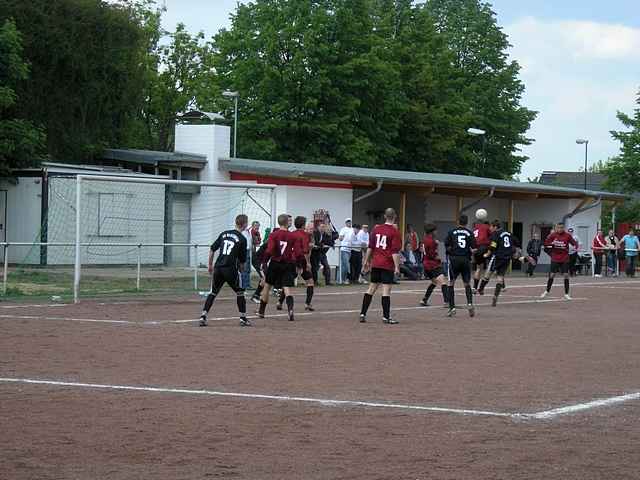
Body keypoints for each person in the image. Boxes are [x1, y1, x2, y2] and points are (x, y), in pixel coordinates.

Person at [199, 214, 250, 327]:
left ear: (236, 222)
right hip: (230, 269)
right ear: (245, 224)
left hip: (218, 268)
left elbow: (212, 248)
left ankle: (203, 315)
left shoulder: (224, 234)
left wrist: (210, 265)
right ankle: (243, 318)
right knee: (240, 292)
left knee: (213, 292)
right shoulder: (242, 239)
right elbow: (242, 261)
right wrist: (241, 271)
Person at [359, 208, 402, 324]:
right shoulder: (395, 232)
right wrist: (397, 267)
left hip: (376, 263)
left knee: (371, 288)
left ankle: (363, 313)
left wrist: (366, 262)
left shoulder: (376, 229)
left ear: (384, 216)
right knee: (386, 290)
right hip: (387, 264)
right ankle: (386, 317)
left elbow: (370, 247)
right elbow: (394, 252)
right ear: (395, 216)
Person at [258, 214, 301, 321]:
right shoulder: (292, 236)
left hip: (275, 262)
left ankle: (261, 311)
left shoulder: (274, 235)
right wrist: (299, 264)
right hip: (287, 263)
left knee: (267, 286)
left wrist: (264, 261)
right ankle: (290, 310)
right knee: (286, 287)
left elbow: (270, 249)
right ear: (287, 223)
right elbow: (297, 252)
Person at [445, 214, 476, 317]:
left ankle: (452, 308)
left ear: (458, 221)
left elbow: (447, 246)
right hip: (465, 259)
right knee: (467, 283)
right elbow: (474, 248)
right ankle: (470, 303)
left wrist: (452, 250)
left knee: (451, 283)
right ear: (466, 222)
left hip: (454, 259)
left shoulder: (451, 232)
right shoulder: (469, 233)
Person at [477, 220, 514, 307]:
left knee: (488, 273)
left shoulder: (495, 234)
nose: (490, 228)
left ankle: (481, 289)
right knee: (500, 277)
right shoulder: (509, 233)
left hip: (497, 257)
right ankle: (495, 296)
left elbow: (493, 245)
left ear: (495, 227)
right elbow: (512, 245)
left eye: (491, 227)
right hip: (507, 258)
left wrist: (487, 253)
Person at [540, 222, 577, 300]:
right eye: (558, 228)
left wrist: (575, 247)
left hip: (565, 258)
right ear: (556, 228)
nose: (560, 229)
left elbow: (574, 243)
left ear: (563, 228)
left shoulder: (567, 235)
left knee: (566, 275)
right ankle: (547, 291)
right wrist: (551, 243)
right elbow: (546, 243)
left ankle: (566, 294)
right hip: (555, 258)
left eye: (561, 228)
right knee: (552, 275)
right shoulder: (553, 235)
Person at [420, 223, 449, 307]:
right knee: (443, 282)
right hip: (432, 264)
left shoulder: (425, 240)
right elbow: (432, 255)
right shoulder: (432, 242)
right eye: (435, 230)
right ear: (432, 232)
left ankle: (424, 300)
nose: (436, 232)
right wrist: (438, 258)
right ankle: (446, 302)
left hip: (426, 264)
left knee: (434, 282)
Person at [472, 221, 491, 292]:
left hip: (476, 248)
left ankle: (474, 287)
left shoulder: (475, 228)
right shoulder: (487, 227)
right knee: (491, 266)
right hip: (484, 248)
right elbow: (492, 237)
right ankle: (481, 287)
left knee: (478, 268)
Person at [338, 218, 354, 284]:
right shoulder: (343, 229)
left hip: (350, 250)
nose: (349, 223)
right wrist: (342, 237)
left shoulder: (352, 229)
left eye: (350, 222)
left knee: (345, 265)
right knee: (346, 265)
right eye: (347, 222)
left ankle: (341, 279)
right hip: (344, 249)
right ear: (345, 223)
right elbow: (340, 238)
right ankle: (342, 279)